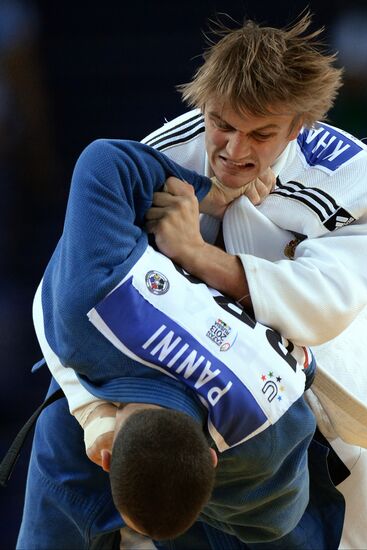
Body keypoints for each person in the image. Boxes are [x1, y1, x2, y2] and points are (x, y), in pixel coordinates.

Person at [16, 10, 367, 550]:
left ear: (300, 125)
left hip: (314, 406)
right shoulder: (168, 152)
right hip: (169, 392)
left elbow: (326, 307)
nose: (234, 150)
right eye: (223, 125)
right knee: (61, 438)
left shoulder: (358, 176)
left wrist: (195, 253)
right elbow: (65, 291)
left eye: (261, 135)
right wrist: (92, 412)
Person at [17, 138, 342, 550]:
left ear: (107, 457)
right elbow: (277, 519)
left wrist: (208, 192)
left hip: (225, 296)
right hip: (222, 300)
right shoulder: (265, 432)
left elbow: (105, 160)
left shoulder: (84, 300)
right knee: (273, 528)